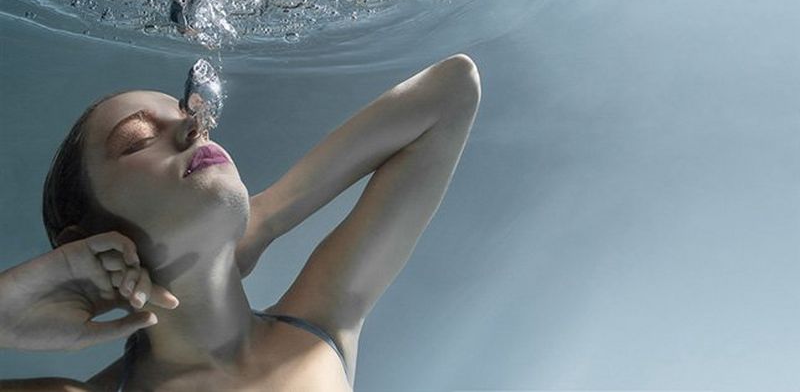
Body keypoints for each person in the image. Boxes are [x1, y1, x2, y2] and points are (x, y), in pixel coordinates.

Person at [0, 53, 481, 391]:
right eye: (138, 138)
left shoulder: (320, 329)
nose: (191, 127)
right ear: (82, 241)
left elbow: (453, 88)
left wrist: (265, 217)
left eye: (189, 116)